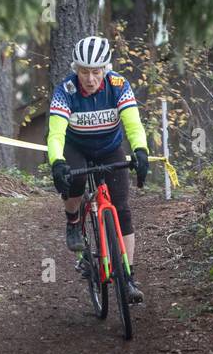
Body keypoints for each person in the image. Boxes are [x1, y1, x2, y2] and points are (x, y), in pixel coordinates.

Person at [47, 35, 150, 302]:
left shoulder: (118, 85)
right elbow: (56, 134)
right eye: (84, 71)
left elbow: (133, 124)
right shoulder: (65, 90)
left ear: (105, 69)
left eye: (96, 72)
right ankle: (73, 221)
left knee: (123, 209)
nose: (90, 79)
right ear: (75, 69)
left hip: (108, 148)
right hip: (77, 148)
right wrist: (57, 162)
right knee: (76, 183)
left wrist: (140, 151)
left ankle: (127, 277)